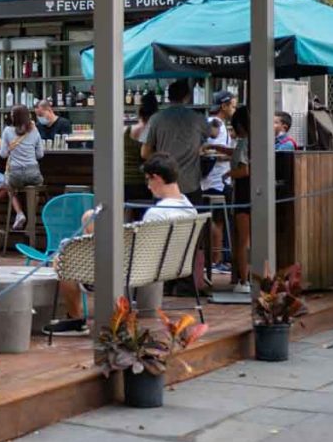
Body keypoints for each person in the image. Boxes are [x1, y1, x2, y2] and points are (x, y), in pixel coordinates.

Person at [46, 152, 196, 335]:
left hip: (131, 271)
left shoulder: (157, 214)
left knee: (63, 257)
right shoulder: (189, 208)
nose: (148, 187)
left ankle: (75, 319)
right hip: (166, 266)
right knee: (90, 219)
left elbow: (134, 253)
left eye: (148, 181)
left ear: (156, 178)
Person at [142, 80, 211, 206]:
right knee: (193, 223)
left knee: (162, 224)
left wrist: (161, 160)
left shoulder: (156, 119)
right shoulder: (197, 118)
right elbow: (213, 133)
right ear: (187, 97)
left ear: (168, 97)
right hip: (191, 184)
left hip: (164, 183)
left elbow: (145, 153)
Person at [202, 90, 237, 274]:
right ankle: (216, 260)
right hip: (216, 179)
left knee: (216, 220)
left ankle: (215, 259)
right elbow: (216, 153)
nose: (234, 109)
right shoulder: (217, 125)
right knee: (217, 220)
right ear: (223, 106)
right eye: (232, 105)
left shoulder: (215, 124)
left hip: (214, 179)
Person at [0, 104, 44, 230]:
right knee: (36, 188)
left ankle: (19, 213)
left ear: (13, 117)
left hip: (15, 174)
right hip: (33, 173)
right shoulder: (34, 130)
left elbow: (3, 154)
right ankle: (32, 215)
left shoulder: (7, 131)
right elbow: (40, 154)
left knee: (8, 185)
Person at [226, 106, 252, 293]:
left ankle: (243, 280)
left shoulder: (244, 143)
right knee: (248, 239)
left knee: (242, 240)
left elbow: (244, 170)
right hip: (256, 192)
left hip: (243, 193)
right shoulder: (258, 140)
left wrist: (227, 174)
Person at [124, 94, 158, 222]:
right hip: (142, 183)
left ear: (138, 111)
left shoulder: (125, 131)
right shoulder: (153, 132)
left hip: (123, 182)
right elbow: (147, 156)